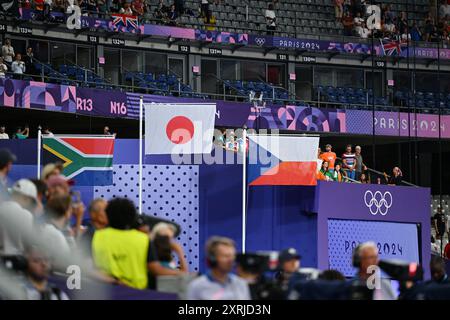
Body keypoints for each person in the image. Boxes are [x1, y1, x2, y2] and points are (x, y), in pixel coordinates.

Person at [92, 198, 185, 290]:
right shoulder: (144, 239)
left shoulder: (95, 236)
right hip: (137, 292)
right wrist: (183, 273)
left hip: (104, 292)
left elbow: (86, 267)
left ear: (108, 215)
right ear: (132, 216)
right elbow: (156, 269)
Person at [187, 236, 251, 300]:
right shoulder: (197, 286)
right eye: (226, 256)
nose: (231, 260)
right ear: (212, 259)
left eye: (232, 256)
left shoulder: (241, 284)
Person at [0, 179, 37, 255]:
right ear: (26, 198)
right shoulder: (26, 215)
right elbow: (28, 244)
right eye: (31, 201)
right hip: (16, 260)